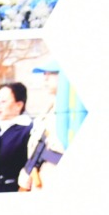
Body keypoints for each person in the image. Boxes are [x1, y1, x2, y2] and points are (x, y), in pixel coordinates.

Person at [20, 60, 67, 190]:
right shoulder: (49, 109)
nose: (45, 78)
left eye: (51, 73)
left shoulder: (71, 112)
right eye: (45, 74)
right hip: (41, 179)